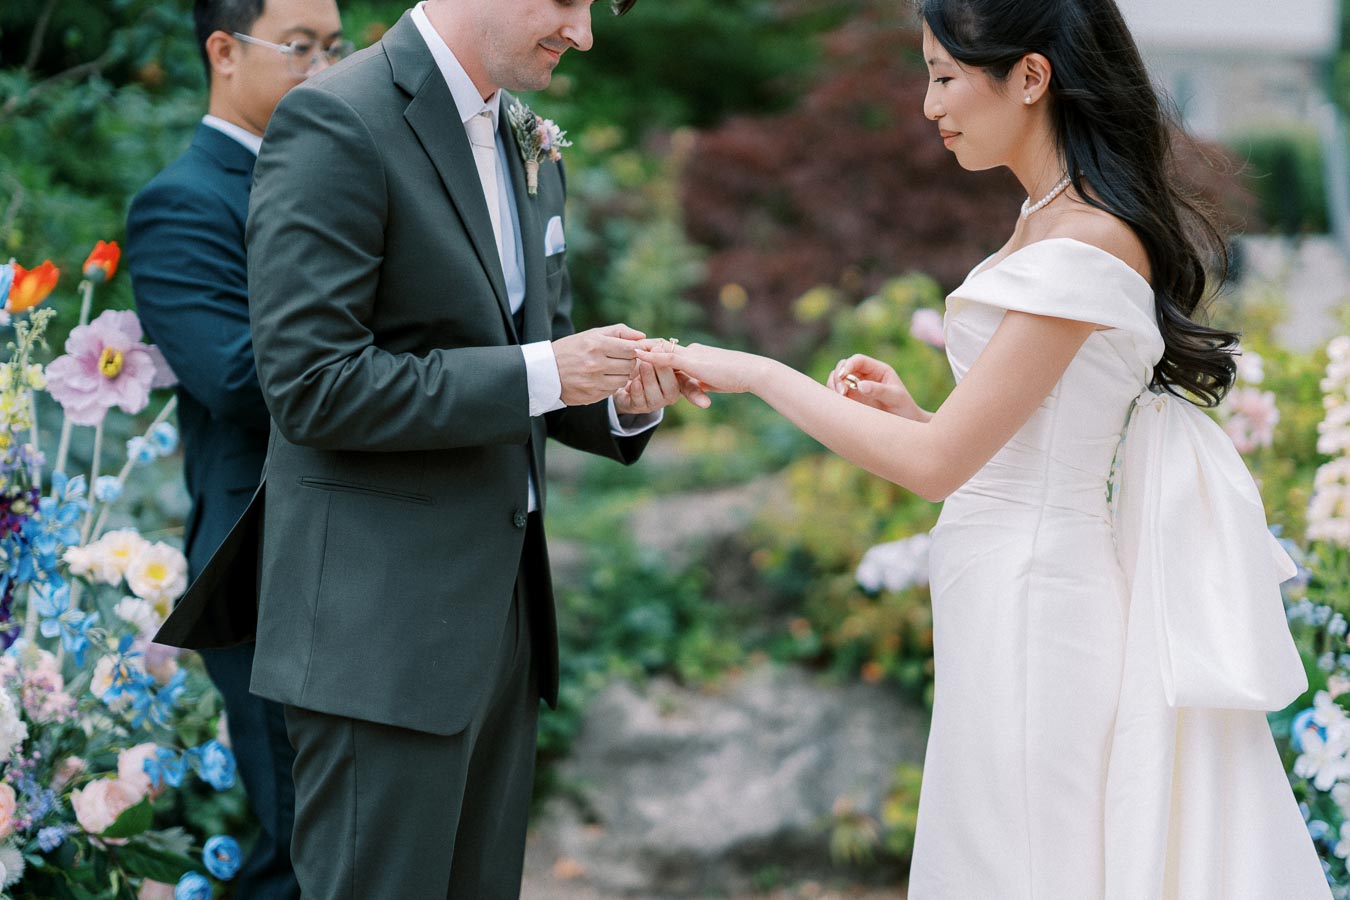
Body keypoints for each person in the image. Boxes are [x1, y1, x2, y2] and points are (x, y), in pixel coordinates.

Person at [639, 0, 1330, 896]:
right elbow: (1011, 450)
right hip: (1011, 585)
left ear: (1031, 77)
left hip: (1038, 602)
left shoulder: (1083, 240)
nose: (929, 105)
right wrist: (920, 413)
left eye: (944, 76)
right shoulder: (1050, 216)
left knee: (1026, 862)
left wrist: (763, 375)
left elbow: (940, 471)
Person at [154, 0, 703, 896]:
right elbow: (312, 386)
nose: (585, 32)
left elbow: (535, 351)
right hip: (378, 639)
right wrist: (544, 372)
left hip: (504, 629)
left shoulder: (526, 135)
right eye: (568, 0)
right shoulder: (337, 116)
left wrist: (623, 400)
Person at [126, 1, 348, 895]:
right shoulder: (183, 201)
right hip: (261, 564)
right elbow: (237, 380)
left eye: (335, 47)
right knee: (303, 849)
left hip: (361, 551)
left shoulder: (341, 176)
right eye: (299, 48)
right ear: (224, 50)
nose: (325, 69)